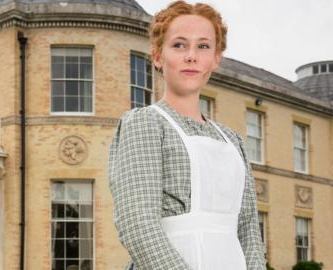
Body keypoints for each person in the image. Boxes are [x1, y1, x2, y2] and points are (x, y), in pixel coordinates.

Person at [108, 1, 266, 269]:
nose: (191, 56)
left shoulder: (233, 140)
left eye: (203, 46)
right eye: (179, 45)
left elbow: (248, 228)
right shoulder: (145, 123)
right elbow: (137, 224)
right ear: (158, 56)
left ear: (215, 59)